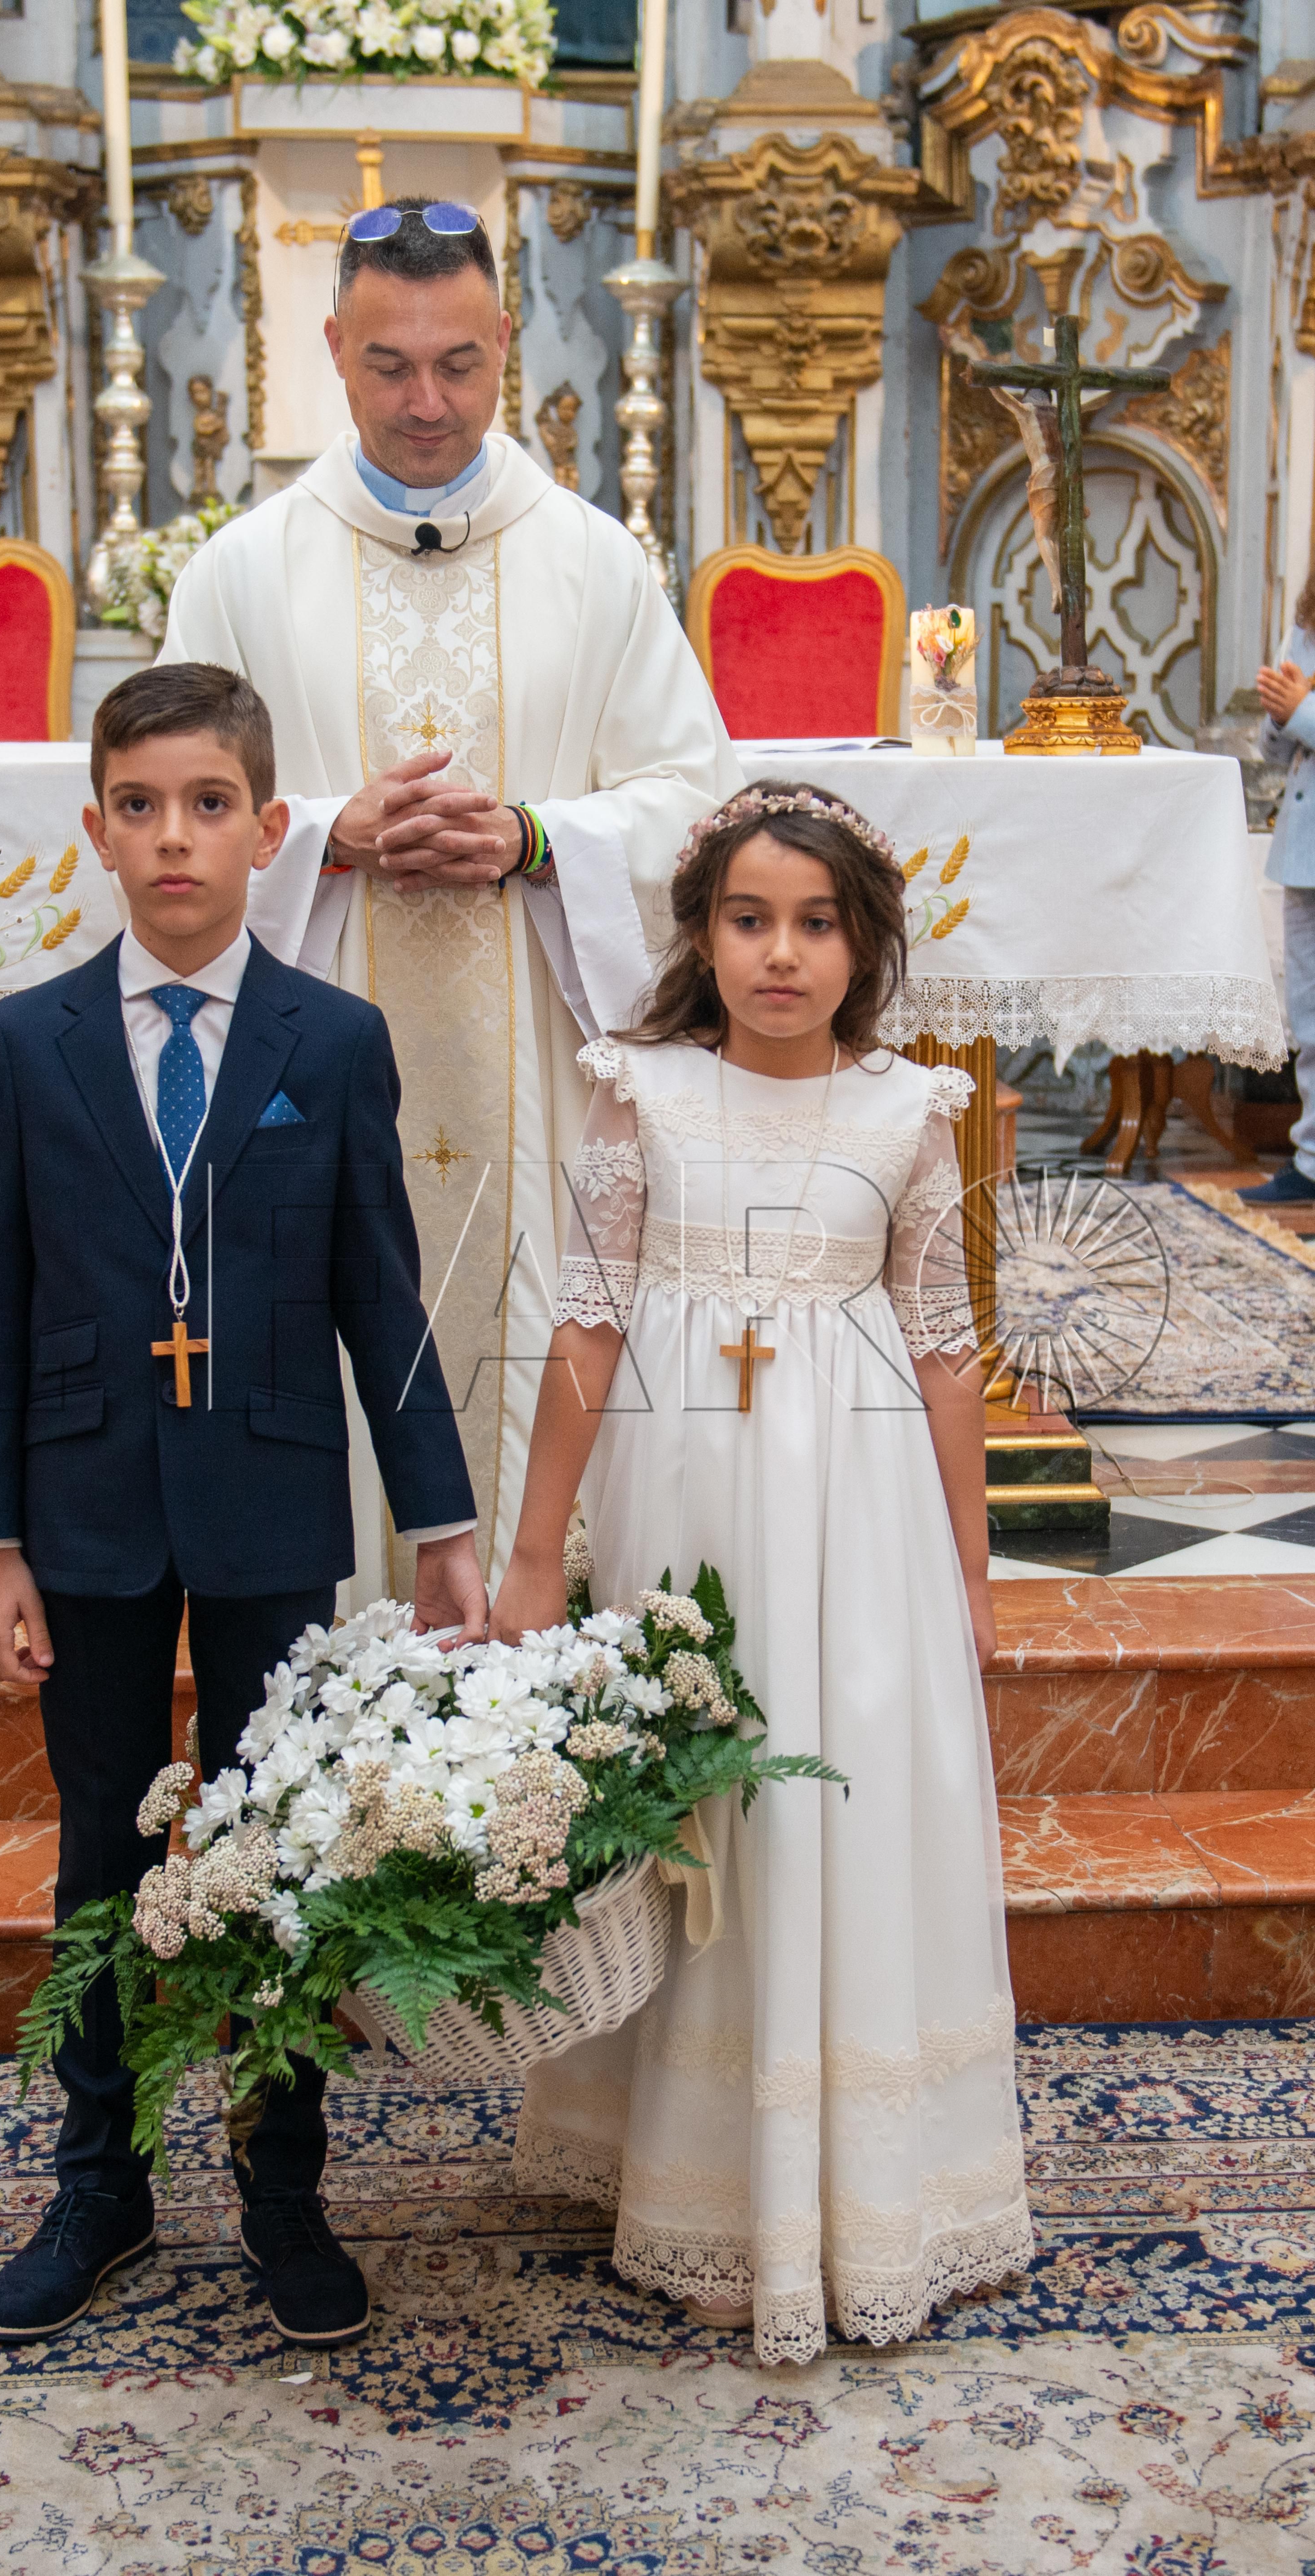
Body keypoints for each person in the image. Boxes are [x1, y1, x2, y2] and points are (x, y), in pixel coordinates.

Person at [0, 662, 486, 2349]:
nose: (173, 837)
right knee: (103, 1846)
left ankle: (283, 2184)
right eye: (139, 806)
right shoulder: (27, 1042)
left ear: (270, 830)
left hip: (269, 1501)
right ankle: (99, 2182)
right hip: (84, 1504)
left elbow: (382, 1298)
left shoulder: (333, 1040)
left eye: (206, 805)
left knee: (278, 1851)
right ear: (96, 828)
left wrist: (446, 1522)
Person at [489, 782, 1033, 2366]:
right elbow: (587, 1326)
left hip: (858, 1522)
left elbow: (944, 1351)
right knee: (696, 1809)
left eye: (815, 923)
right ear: (701, 935)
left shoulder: (910, 1111)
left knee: (828, 1805)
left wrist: (969, 1569)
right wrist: (536, 1552)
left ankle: (858, 2182)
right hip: (683, 1510)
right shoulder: (643, 1090)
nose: (781, 952)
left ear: (866, 945)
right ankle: (693, 2171)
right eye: (748, 919)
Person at [159, 195, 744, 1600]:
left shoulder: (594, 563)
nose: (426, 402)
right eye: (388, 365)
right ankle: (332, 1665)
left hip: (541, 1075)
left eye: (459, 364)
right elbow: (163, 803)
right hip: (306, 1064)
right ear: (332, 350)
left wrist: (538, 838)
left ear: (506, 343)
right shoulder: (242, 572)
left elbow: (701, 802)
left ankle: (543, 1648)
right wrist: (324, 835)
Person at [1242, 588, 1315, 1206]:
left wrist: (1302, 710)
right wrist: (1280, 713)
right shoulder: (1305, 627)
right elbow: (1275, 749)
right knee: (1310, 1016)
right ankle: (1312, 1161)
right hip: (1304, 848)